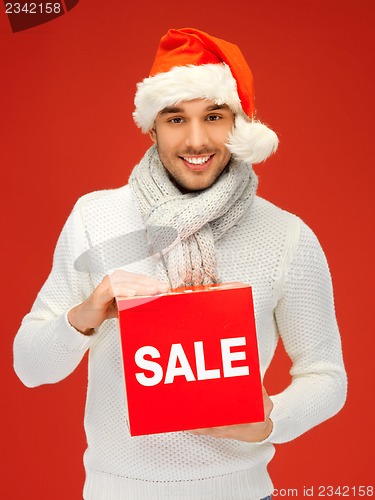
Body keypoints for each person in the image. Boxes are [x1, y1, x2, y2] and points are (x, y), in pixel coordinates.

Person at [13, 28, 347, 500]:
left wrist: (272, 418)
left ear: (240, 122)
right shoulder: (97, 219)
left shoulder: (285, 236)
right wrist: (83, 317)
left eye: (214, 116)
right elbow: (29, 366)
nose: (196, 140)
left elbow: (327, 375)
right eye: (175, 119)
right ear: (152, 127)